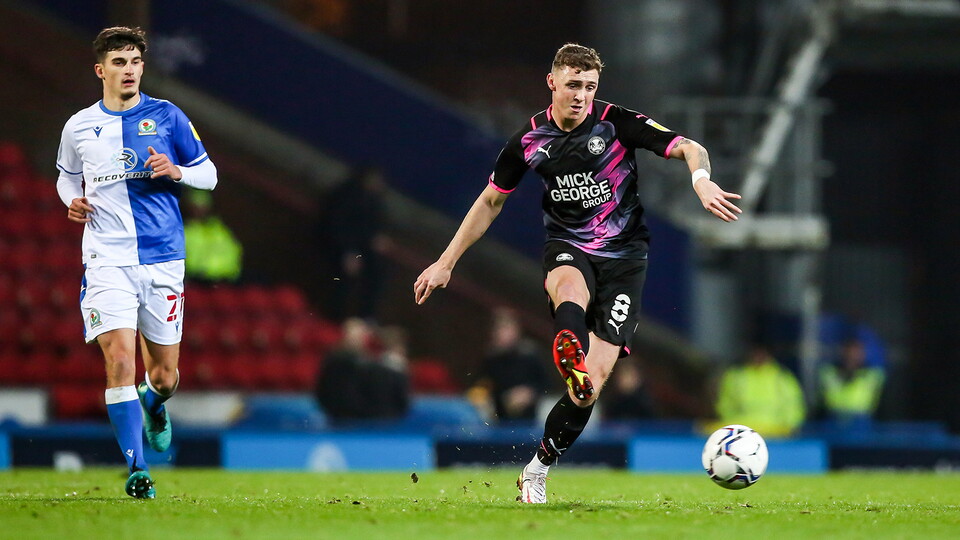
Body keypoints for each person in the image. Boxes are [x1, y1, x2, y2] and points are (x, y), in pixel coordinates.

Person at [413, 43, 742, 503]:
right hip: (569, 247)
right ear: (552, 83)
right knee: (568, 286)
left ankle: (537, 467)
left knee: (591, 386)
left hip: (626, 260)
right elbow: (490, 201)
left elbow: (690, 146)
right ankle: (567, 342)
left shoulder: (617, 122)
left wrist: (701, 181)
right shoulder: (528, 140)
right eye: (573, 85)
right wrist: (445, 262)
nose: (581, 96)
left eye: (589, 87)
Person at [55, 27, 218, 499]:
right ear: (100, 70)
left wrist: (177, 171)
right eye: (119, 62)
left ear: (142, 67)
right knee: (120, 360)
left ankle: (155, 403)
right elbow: (66, 178)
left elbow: (209, 173)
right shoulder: (79, 126)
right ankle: (137, 469)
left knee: (164, 376)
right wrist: (73, 201)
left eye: (134, 62)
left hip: (164, 259)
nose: (128, 70)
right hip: (106, 260)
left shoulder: (168, 116)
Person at [320, 166, 387, 321]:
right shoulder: (346, 195)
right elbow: (335, 226)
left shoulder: (372, 200)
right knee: (342, 279)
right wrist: (347, 252)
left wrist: (375, 239)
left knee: (378, 270)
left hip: (358, 251)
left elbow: (371, 228)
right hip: (335, 248)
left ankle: (366, 317)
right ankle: (333, 319)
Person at [470, 307, 550, 422]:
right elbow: (478, 385)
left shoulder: (529, 355)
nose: (503, 334)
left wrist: (529, 393)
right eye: (499, 329)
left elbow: (546, 383)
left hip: (528, 422)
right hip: (499, 422)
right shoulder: (490, 359)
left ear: (516, 331)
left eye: (507, 329)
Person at [713, 344, 806, 438]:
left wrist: (788, 428)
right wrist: (734, 427)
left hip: (776, 432)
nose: (758, 356)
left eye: (762, 353)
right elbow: (725, 405)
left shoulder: (782, 377)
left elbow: (793, 406)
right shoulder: (735, 376)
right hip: (741, 432)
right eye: (756, 353)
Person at [819, 336, 885, 424]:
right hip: (832, 419)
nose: (851, 356)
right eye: (849, 352)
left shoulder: (873, 375)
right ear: (842, 352)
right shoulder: (828, 372)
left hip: (862, 422)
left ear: (863, 354)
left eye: (856, 352)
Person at [182, 187, 242, 283]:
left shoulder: (220, 231)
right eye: (195, 206)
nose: (199, 210)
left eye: (202, 206)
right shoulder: (183, 230)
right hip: (194, 282)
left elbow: (233, 253)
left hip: (224, 282)